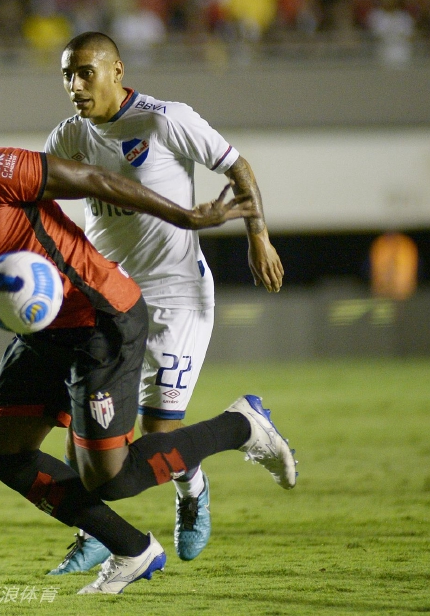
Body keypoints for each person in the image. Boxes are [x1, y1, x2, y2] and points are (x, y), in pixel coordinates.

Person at [0, 90, 296, 594]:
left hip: (99, 317)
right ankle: (133, 549)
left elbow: (95, 179)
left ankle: (241, 426)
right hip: (42, 333)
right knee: (5, 454)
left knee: (111, 478)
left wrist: (183, 216)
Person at [43, 31, 285, 570]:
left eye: (85, 73)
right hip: (109, 300)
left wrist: (258, 237)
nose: (74, 85)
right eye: (66, 75)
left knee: (159, 434)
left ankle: (192, 493)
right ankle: (97, 532)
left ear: (117, 71)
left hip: (176, 294)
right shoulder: (68, 136)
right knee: (86, 430)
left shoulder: (164, 120)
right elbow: (42, 200)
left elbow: (237, 166)